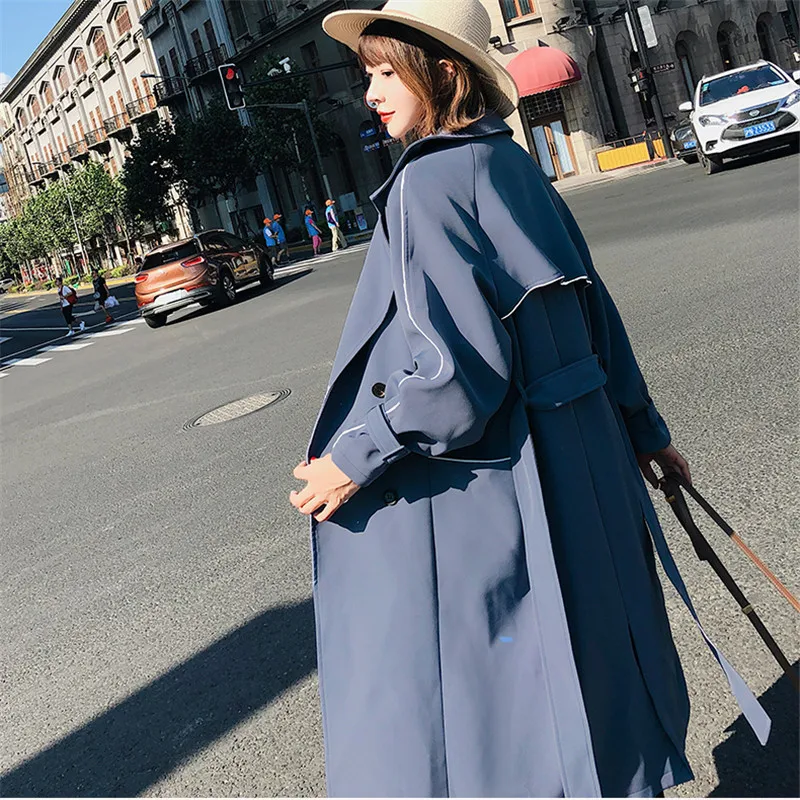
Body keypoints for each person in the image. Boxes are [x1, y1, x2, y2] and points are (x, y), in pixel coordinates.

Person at [290, 2, 768, 798]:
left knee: (513, 694)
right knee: (604, 648)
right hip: (590, 456)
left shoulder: (425, 183)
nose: (369, 93)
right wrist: (645, 430)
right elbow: (594, 308)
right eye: (367, 74)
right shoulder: (511, 164)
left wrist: (353, 457)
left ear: (443, 73)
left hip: (519, 471)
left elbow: (460, 371)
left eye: (384, 73)